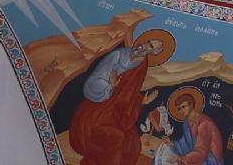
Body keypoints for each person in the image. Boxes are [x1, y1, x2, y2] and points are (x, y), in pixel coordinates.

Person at [68, 30, 171, 165]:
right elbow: (95, 80)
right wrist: (111, 86)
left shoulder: (142, 65)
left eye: (151, 46)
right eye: (147, 42)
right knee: (116, 137)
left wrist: (141, 101)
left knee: (133, 143)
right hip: (99, 107)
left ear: (154, 52)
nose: (145, 46)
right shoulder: (118, 55)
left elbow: (130, 91)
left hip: (117, 111)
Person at [162, 87, 222, 165]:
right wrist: (172, 144)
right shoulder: (186, 123)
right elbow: (185, 143)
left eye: (183, 107)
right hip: (196, 157)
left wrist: (181, 159)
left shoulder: (204, 123)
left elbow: (201, 152)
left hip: (209, 160)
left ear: (191, 105)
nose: (181, 111)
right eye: (179, 109)